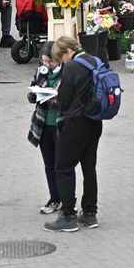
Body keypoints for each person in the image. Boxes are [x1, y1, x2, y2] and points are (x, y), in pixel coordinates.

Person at [44, 35, 102, 233]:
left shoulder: (73, 67)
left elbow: (65, 99)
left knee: (63, 167)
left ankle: (68, 216)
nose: (63, 62)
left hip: (76, 124)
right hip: (95, 121)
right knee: (89, 167)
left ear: (68, 51)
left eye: (62, 58)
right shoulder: (95, 60)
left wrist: (54, 99)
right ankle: (90, 213)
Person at [27, 40, 66, 215]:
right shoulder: (41, 72)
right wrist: (34, 94)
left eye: (49, 61)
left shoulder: (67, 73)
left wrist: (57, 98)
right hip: (43, 125)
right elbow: (31, 94)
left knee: (63, 166)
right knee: (49, 165)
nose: (46, 65)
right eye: (43, 61)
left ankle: (67, 199)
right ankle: (54, 198)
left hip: (61, 125)